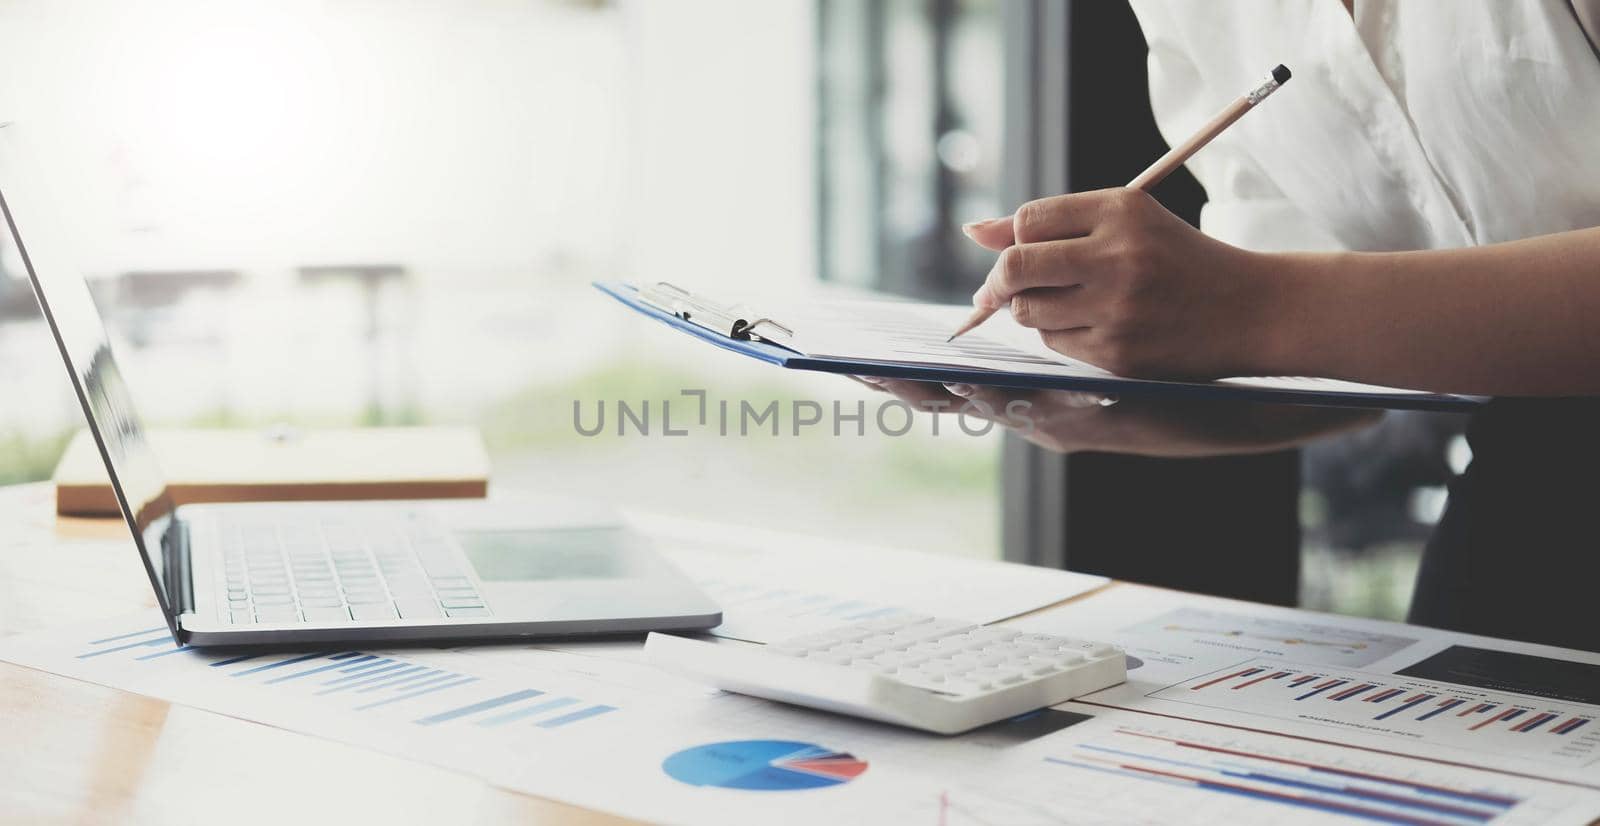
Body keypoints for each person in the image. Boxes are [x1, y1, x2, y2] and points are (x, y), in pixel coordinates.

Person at [862, 1, 1600, 652]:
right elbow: (1328, 350)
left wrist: (1255, 306)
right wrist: (1099, 406)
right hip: (1531, 501)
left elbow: (1276, 307)